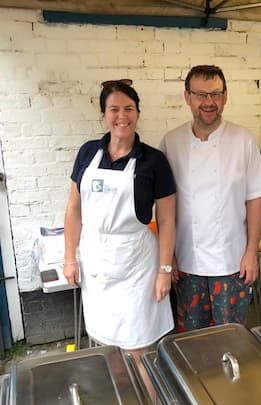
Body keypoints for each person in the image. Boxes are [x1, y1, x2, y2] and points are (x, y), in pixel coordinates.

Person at [63, 79, 176, 357]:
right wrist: (69, 257)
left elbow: (167, 221)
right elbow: (74, 208)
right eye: (114, 109)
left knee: (137, 347)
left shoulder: (154, 161)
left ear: (138, 113)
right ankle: (120, 400)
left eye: (129, 108)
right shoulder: (88, 153)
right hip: (97, 265)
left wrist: (164, 272)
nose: (122, 117)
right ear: (103, 114)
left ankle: (146, 401)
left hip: (137, 267)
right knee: (108, 346)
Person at [159, 65, 261, 332]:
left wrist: (251, 253)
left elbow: (255, 199)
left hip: (232, 262)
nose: (208, 102)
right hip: (187, 260)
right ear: (187, 97)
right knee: (191, 337)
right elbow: (164, 208)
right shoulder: (171, 142)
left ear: (225, 97)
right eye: (200, 94)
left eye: (215, 94)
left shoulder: (243, 140)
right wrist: (169, 257)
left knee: (230, 336)